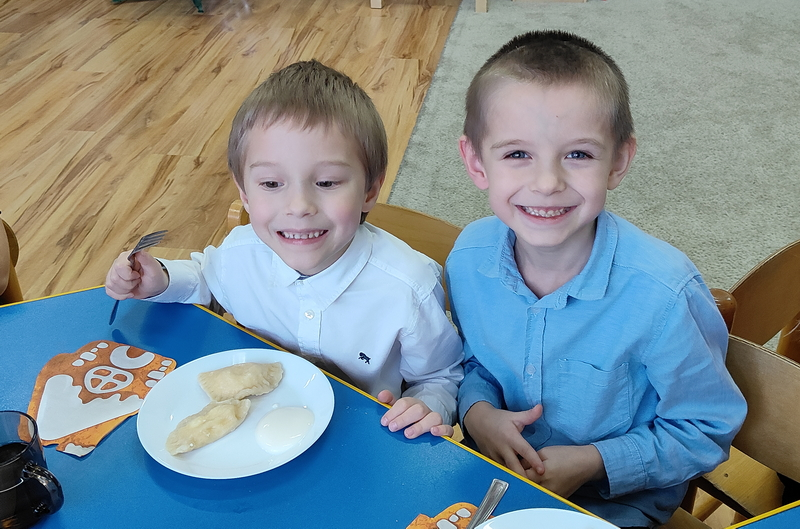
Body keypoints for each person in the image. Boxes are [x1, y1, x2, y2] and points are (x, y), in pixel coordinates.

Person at [446, 30, 747, 528]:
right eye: (517, 154)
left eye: (578, 154)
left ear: (618, 162)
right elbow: (476, 360)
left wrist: (594, 462)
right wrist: (478, 413)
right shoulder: (467, 257)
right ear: (477, 162)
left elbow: (707, 428)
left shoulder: (664, 293)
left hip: (617, 503)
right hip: (493, 476)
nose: (547, 183)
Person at [106, 60, 464, 439]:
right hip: (256, 431)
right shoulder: (239, 253)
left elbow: (440, 376)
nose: (298, 206)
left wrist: (427, 406)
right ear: (244, 193)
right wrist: (160, 280)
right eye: (272, 184)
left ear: (370, 190)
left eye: (327, 182)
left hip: (361, 436)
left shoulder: (409, 288)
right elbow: (206, 280)